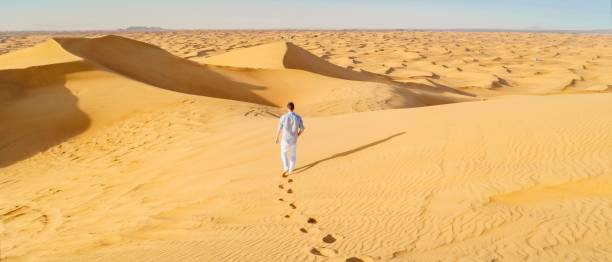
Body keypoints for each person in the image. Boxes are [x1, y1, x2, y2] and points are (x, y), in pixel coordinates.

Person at [275, 102, 305, 175]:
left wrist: (277, 137)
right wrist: (298, 134)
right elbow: (302, 128)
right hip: (294, 139)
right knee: (293, 154)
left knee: (283, 153)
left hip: (285, 139)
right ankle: (291, 170)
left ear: (287, 108)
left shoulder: (283, 117)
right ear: (293, 108)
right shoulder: (298, 117)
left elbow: (279, 128)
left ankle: (286, 167)